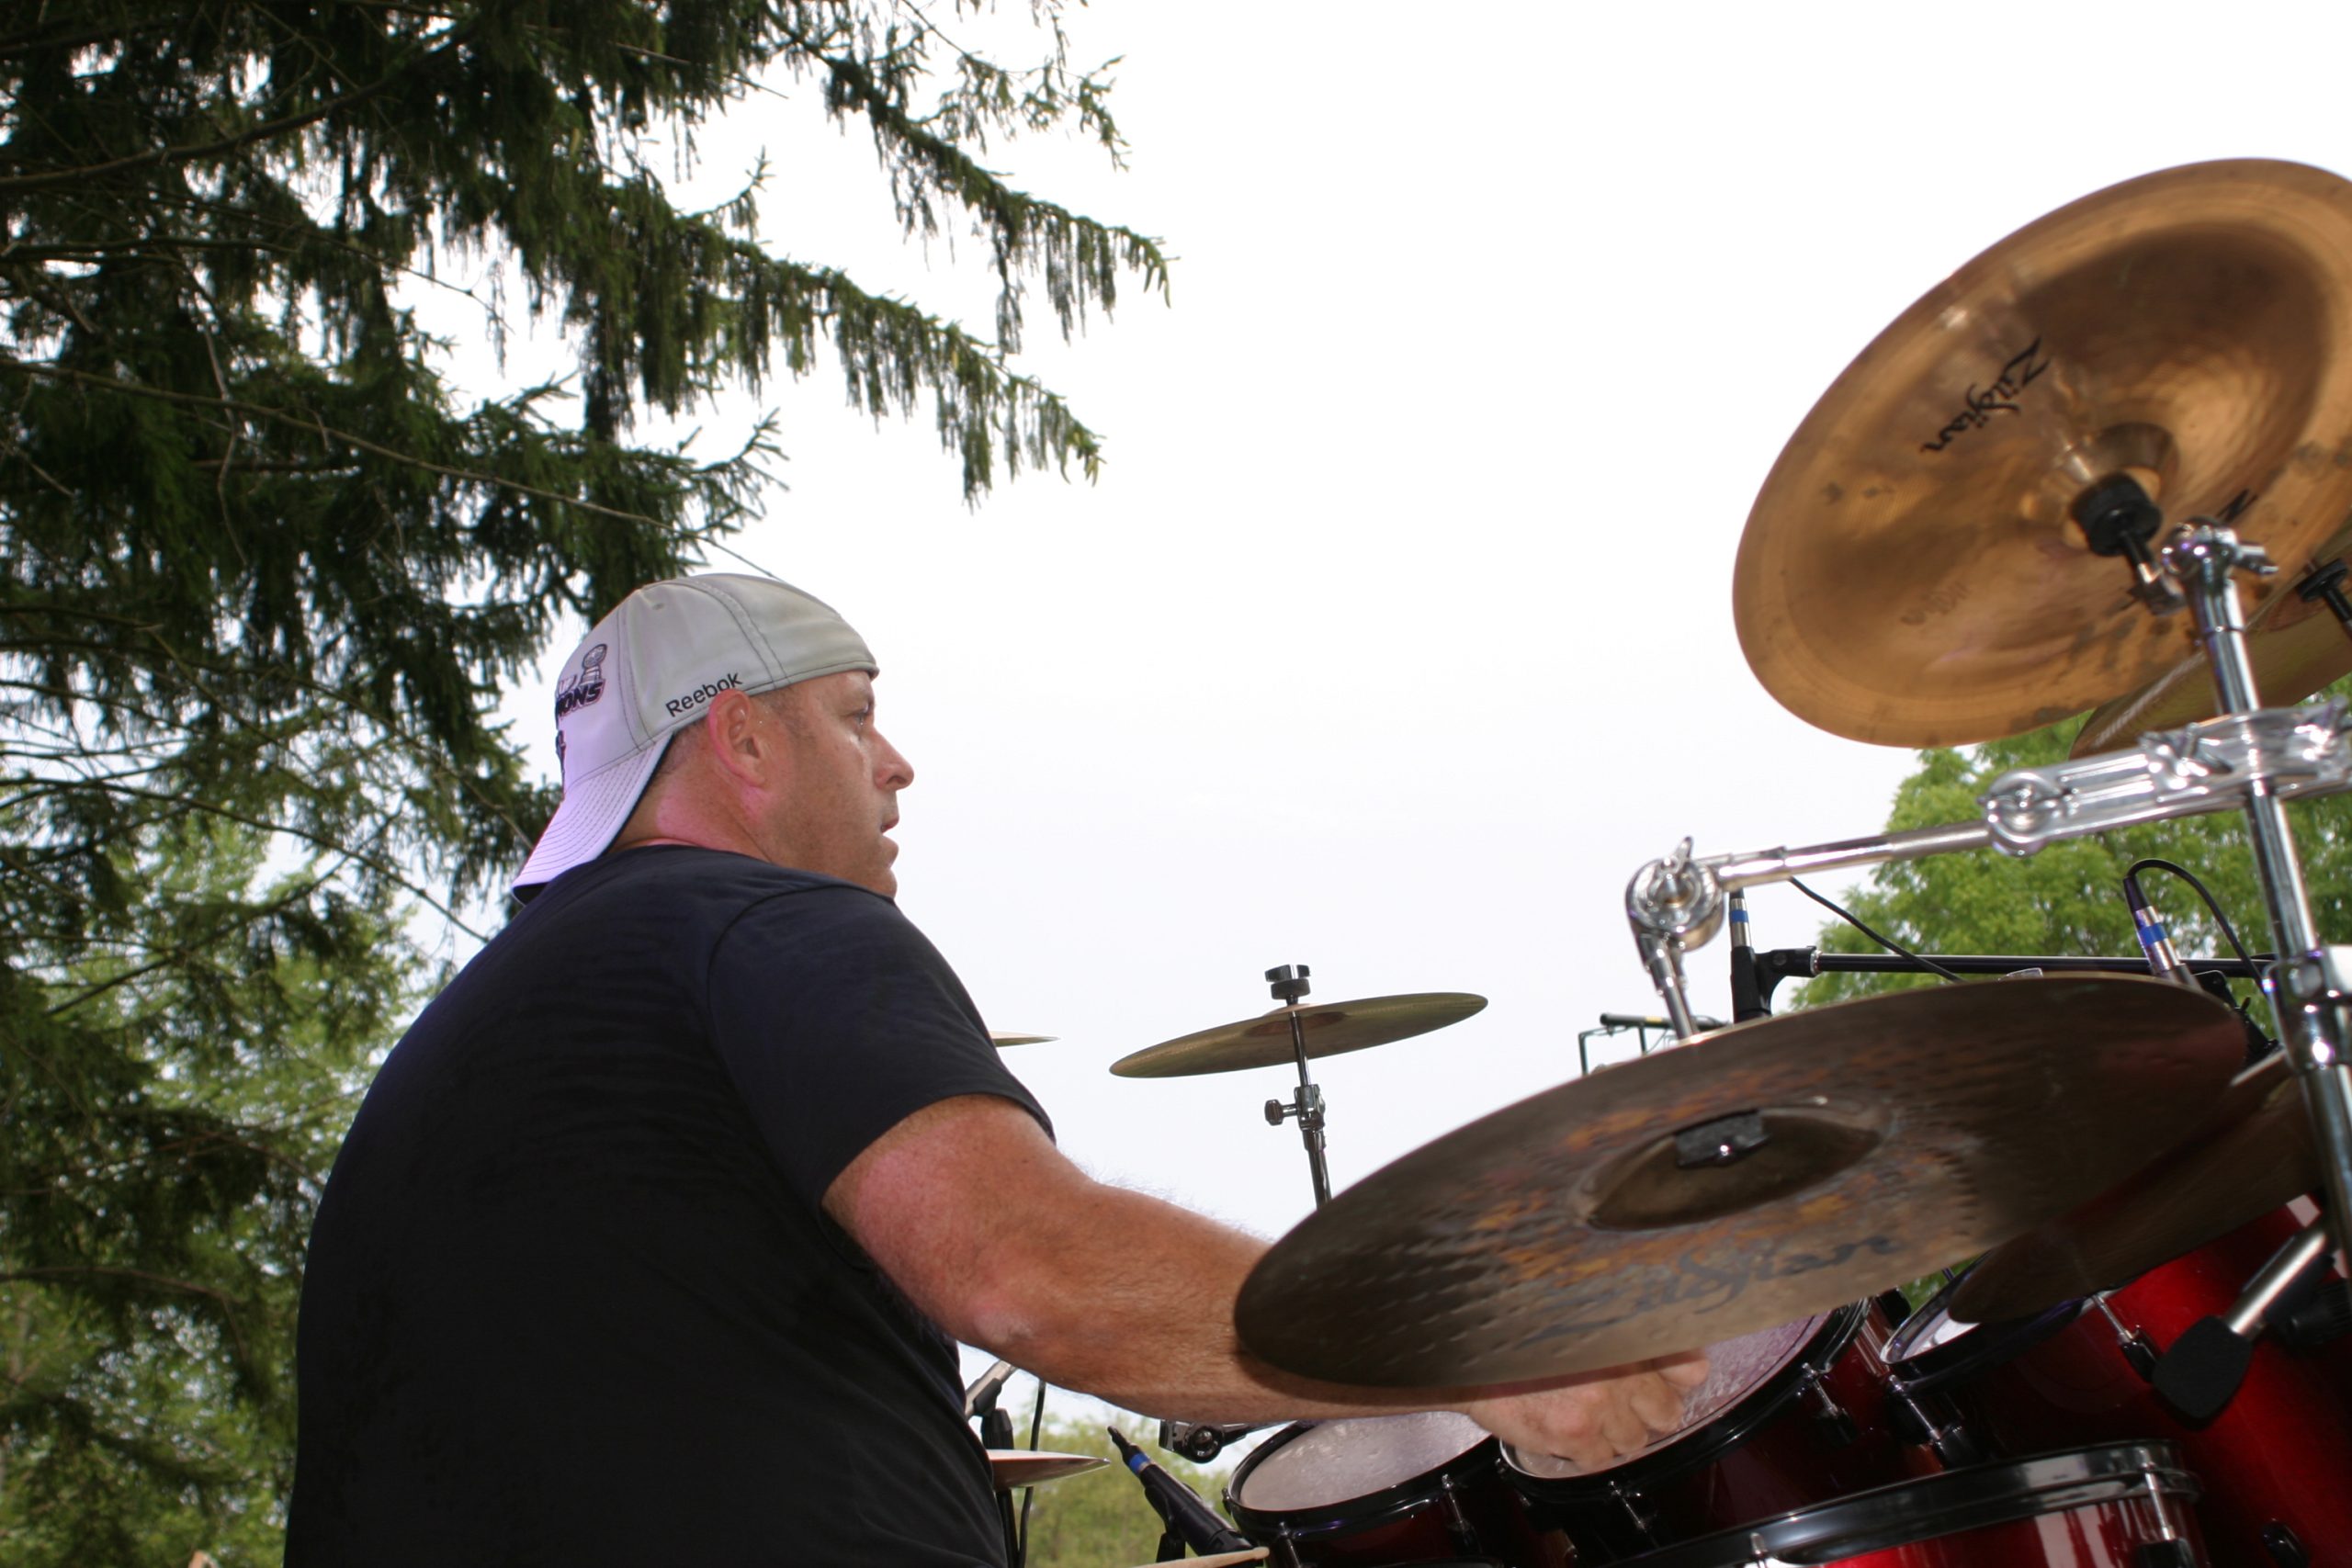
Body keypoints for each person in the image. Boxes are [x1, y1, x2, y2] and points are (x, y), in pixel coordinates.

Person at [287, 573, 1706, 1566]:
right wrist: (1469, 1340)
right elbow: (1029, 1270)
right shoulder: (765, 924)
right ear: (745, 738)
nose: (896, 764)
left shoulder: (492, 1023)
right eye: (856, 715)